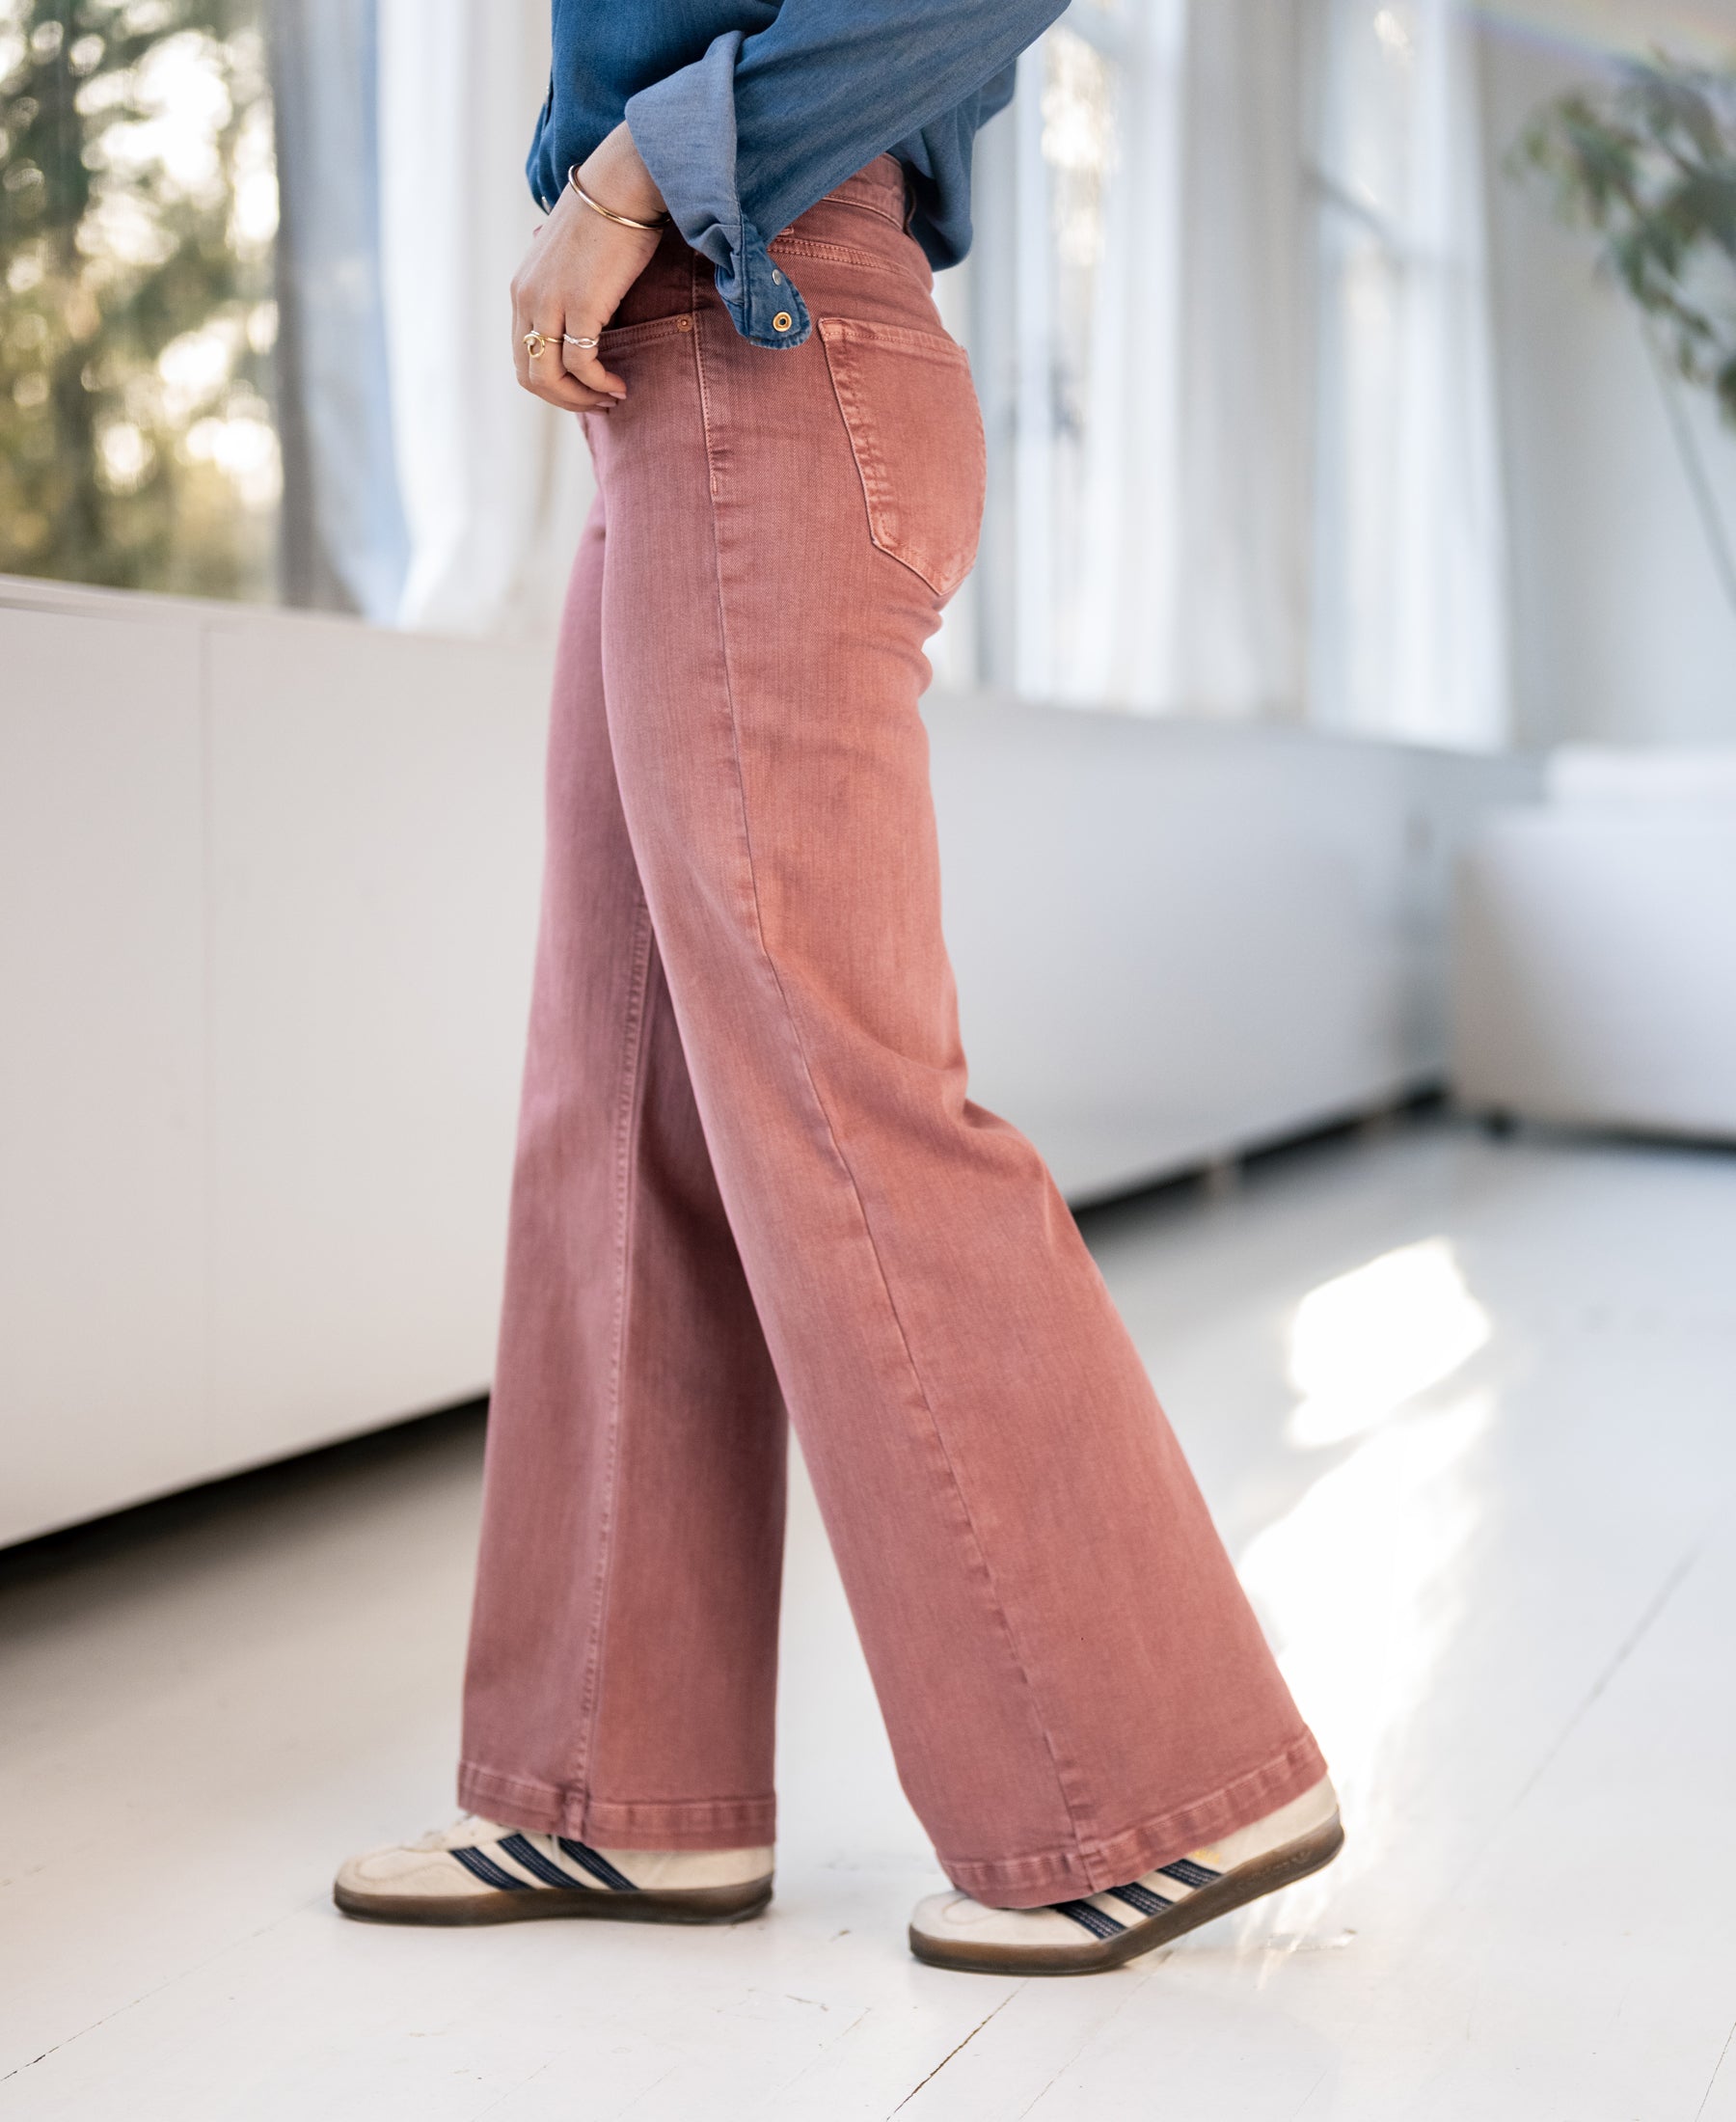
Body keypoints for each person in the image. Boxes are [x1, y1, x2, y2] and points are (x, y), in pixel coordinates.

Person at [334, 0, 1340, 1976]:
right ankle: (615, 1789)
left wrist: (643, 165)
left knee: (834, 1078)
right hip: (688, 370)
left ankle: (1165, 1769)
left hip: (768, 327)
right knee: (616, 1091)